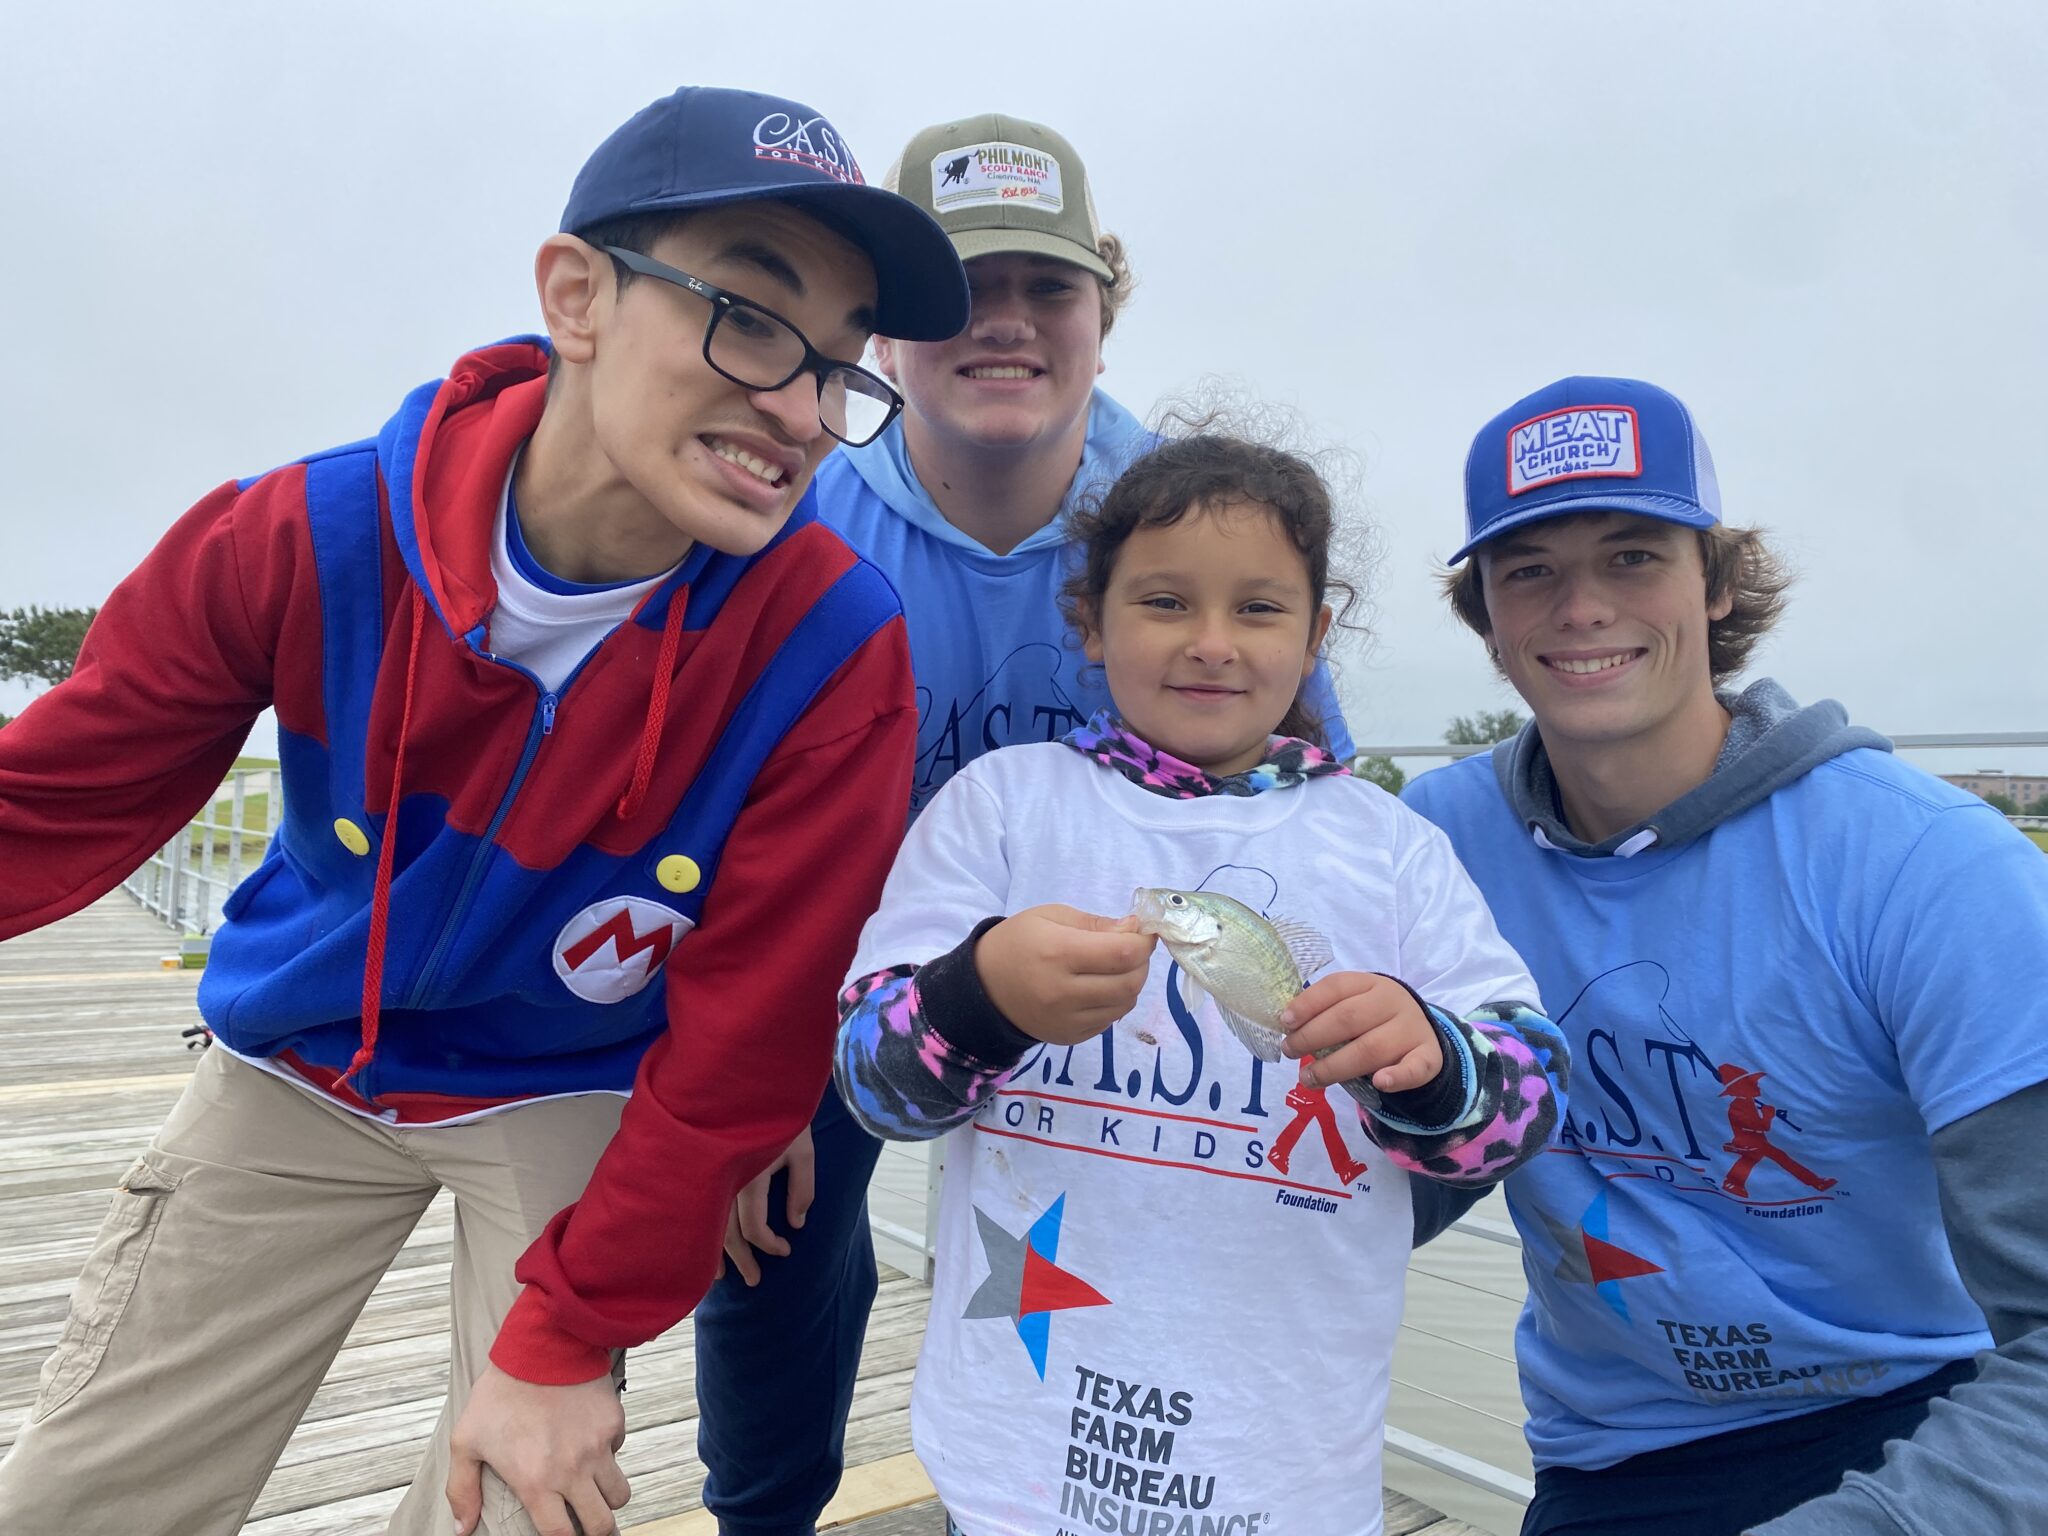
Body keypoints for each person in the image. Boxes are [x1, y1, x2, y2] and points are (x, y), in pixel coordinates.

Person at [0, 85, 968, 1536]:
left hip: (573, 1074)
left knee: (520, 1499)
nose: (800, 411)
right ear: (577, 295)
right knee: (88, 1493)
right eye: (752, 319)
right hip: (305, 1050)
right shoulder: (303, 541)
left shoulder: (832, 645)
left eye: (838, 367)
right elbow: (50, 804)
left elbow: (746, 1037)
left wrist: (567, 1341)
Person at [700, 112, 1354, 1534]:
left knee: (1151, 1258)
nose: (1004, 326)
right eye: (960, 294)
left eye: (1046, 289)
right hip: (837, 976)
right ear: (880, 338)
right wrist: (734, 1086)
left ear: (1104, 317)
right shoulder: (786, 514)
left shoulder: (1195, 522)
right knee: (769, 1233)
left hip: (1132, 985)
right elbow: (719, 830)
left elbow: (1307, 794)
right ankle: (763, 1513)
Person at [832, 431, 1569, 1535]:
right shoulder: (998, 808)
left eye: (1260, 610)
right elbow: (873, 1085)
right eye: (1164, 601)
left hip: (1285, 1473)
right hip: (1015, 1464)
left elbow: (1523, 1107)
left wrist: (1429, 1063)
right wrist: (978, 996)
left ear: (1318, 634)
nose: (1211, 645)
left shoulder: (1391, 848)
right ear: (1088, 620)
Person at [1403, 375, 2048, 1536]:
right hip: (1612, 1453)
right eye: (1529, 569)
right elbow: (1377, 1180)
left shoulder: (1931, 869)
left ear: (1716, 582)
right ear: (1484, 620)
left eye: (1632, 555)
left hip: (1916, 1419)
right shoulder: (1431, 844)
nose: (1580, 607)